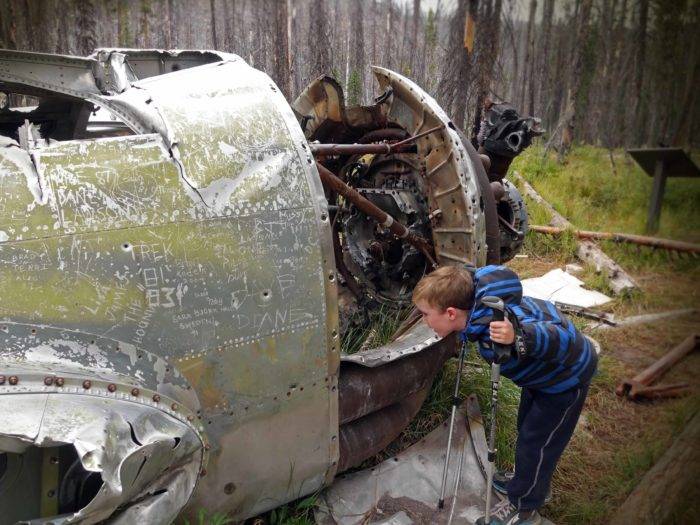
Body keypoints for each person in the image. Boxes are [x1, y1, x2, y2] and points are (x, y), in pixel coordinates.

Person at [412, 265, 598, 525]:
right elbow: (468, 276)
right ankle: (530, 482)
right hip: (541, 381)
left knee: (537, 446)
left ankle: (525, 508)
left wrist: (520, 337)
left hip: (564, 383)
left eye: (425, 314)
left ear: (451, 313)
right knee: (527, 431)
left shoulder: (502, 325)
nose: (424, 320)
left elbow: (563, 340)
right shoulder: (478, 307)